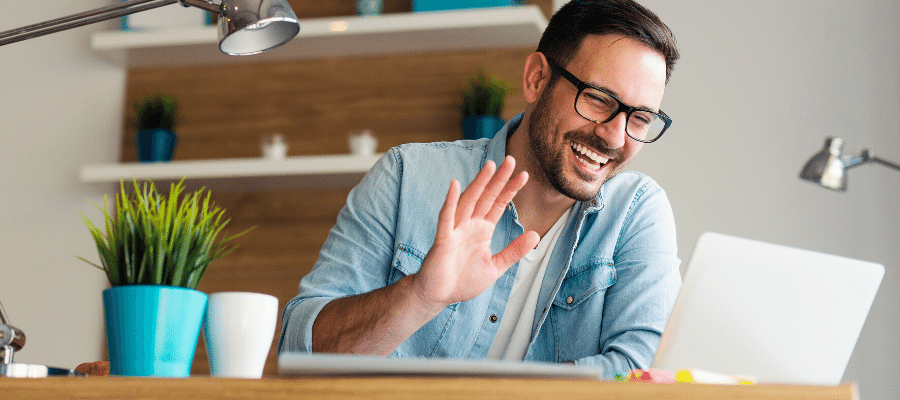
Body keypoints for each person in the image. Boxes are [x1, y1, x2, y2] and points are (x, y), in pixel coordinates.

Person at [278, 0, 681, 379]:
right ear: (536, 79)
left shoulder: (636, 213)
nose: (615, 136)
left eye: (641, 119)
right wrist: (418, 297)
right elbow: (300, 353)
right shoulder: (407, 176)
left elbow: (641, 373)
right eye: (598, 99)